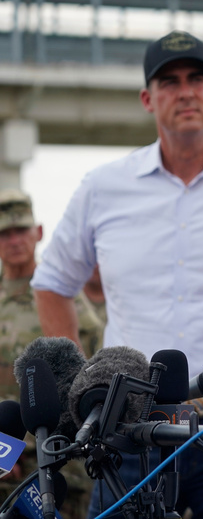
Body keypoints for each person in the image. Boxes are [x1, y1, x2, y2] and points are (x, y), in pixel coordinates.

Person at [31, 30, 203, 519]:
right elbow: (52, 283)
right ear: (148, 99)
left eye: (197, 78)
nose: (185, 91)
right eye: (169, 81)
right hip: (126, 427)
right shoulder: (104, 188)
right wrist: (78, 380)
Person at [0, 189, 103, 519]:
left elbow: (90, 369)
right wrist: (6, 453)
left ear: (39, 232)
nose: (14, 240)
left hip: (59, 454)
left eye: (21, 230)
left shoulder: (57, 294)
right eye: (4, 233)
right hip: (5, 451)